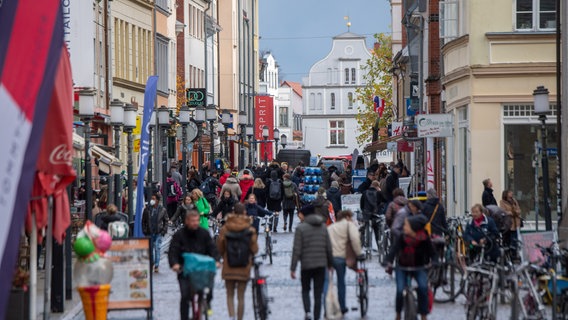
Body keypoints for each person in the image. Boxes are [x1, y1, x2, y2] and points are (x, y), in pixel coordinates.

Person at [168, 209, 221, 320]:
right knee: (185, 296)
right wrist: (175, 264)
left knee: (207, 291)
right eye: (192, 221)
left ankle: (206, 305)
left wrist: (216, 260)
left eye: (197, 220)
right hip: (184, 271)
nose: (195, 223)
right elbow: (173, 251)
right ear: (187, 221)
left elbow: (212, 248)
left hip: (201, 270)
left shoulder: (204, 233)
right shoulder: (179, 235)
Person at [383, 214, 435, 320]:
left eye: (406, 225)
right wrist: (388, 261)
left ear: (413, 228)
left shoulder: (424, 238)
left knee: (423, 288)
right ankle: (398, 314)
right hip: (402, 268)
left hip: (419, 267)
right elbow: (393, 250)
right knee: (400, 290)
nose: (404, 227)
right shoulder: (402, 237)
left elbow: (432, 252)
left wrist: (435, 261)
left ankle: (423, 315)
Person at [291, 204, 334, 320]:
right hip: (321, 264)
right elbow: (328, 247)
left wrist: (293, 268)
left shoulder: (301, 228)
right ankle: (316, 316)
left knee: (305, 289)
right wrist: (330, 264)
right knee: (318, 292)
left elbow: (297, 249)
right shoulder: (323, 227)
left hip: (306, 265)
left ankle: (307, 312)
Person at [218, 203, 258, 320]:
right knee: (241, 297)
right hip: (244, 266)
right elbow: (254, 249)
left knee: (230, 295)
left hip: (229, 265)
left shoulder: (225, 228)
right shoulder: (249, 229)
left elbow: (220, 247)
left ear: (233, 212)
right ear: (245, 213)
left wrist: (224, 255)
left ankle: (232, 317)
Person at [327, 210, 362, 316]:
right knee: (341, 282)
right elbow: (355, 239)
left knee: (328, 283)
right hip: (341, 258)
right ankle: (342, 306)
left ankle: (328, 307)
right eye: (351, 217)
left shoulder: (331, 227)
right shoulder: (349, 225)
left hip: (330, 258)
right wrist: (359, 253)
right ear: (347, 217)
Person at [142, 193, 169, 272]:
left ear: (157, 200)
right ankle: (152, 262)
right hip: (150, 232)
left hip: (158, 232)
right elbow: (143, 221)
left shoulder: (162, 210)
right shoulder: (147, 209)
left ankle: (156, 265)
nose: (152, 200)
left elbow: (166, 220)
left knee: (157, 248)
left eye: (153, 199)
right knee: (150, 249)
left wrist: (164, 230)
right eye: (151, 198)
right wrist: (144, 230)